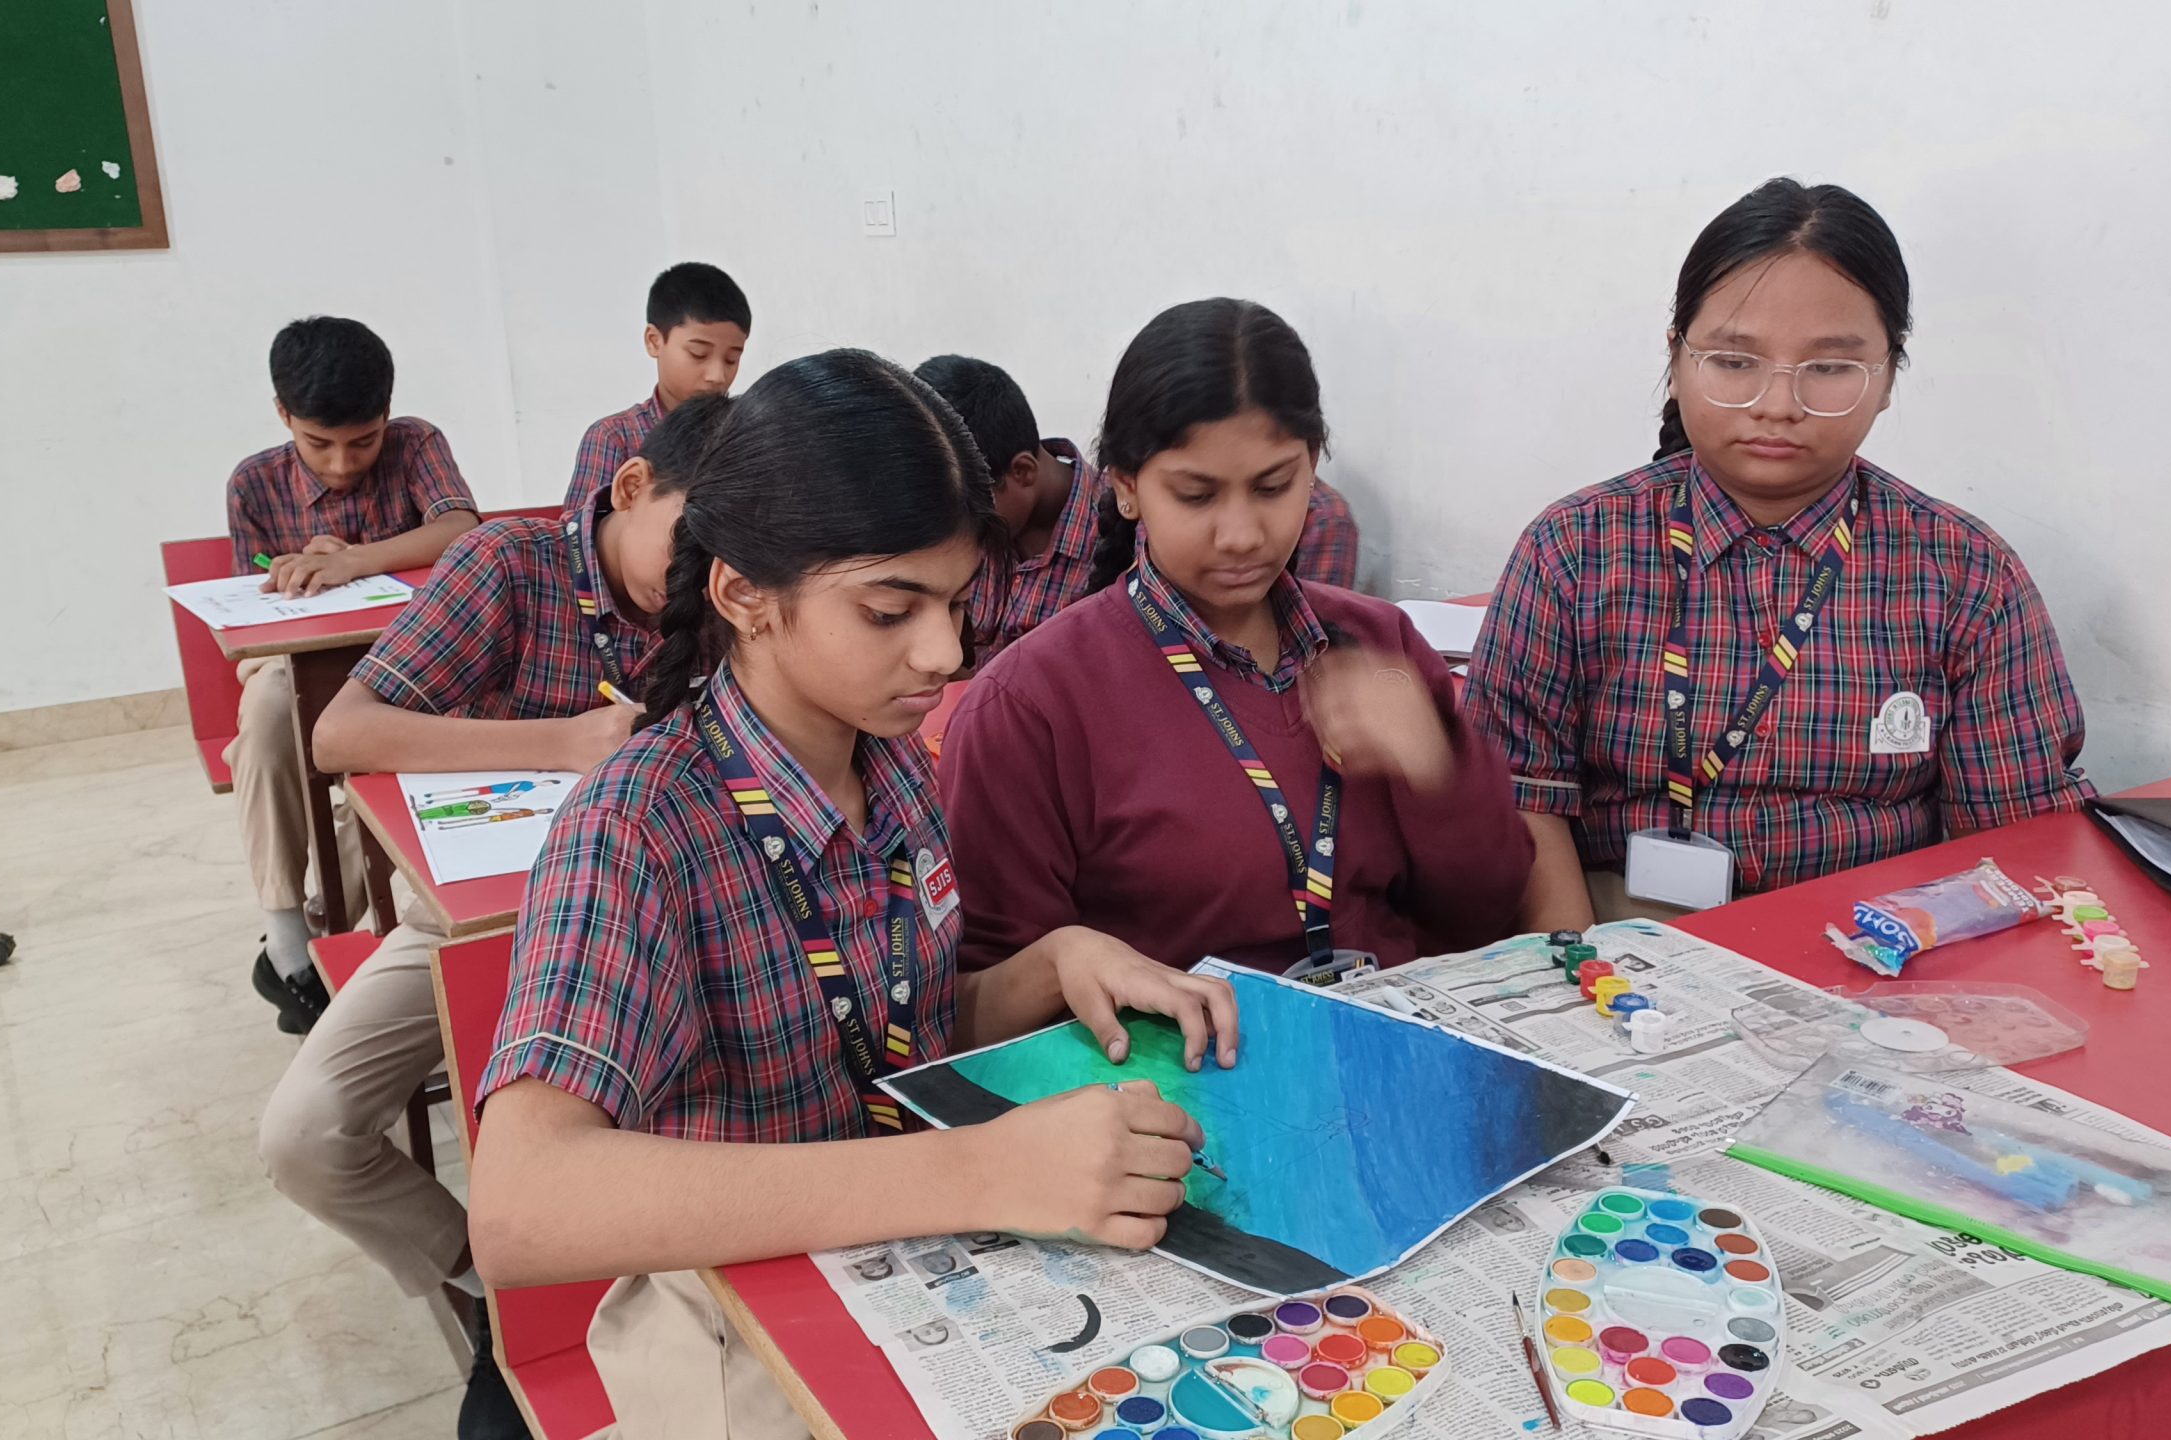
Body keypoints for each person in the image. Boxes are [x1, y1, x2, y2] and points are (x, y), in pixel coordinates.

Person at [466, 349, 1243, 1440]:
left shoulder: (895, 766)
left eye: (957, 601)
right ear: (744, 594)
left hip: (912, 1268)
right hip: (746, 1332)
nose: (944, 651)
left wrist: (1053, 964)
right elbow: (522, 1204)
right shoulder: (639, 829)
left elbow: (885, 1031)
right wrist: (973, 1171)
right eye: (889, 610)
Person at [257, 399, 726, 1438]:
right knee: (305, 1135)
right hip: (480, 916)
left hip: (656, 923)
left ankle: (633, 1318)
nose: (703, 576)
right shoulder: (513, 565)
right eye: (688, 540)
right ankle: (492, 1291)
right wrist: (560, 743)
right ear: (632, 487)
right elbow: (341, 733)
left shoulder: (729, 595)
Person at [1464, 179, 2093, 928]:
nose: (1777, 405)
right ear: (1677, 360)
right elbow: (1520, 801)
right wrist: (1582, 971)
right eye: (1735, 361)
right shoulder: (1574, 550)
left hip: (1882, 937)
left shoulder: (1966, 575)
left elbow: (2012, 840)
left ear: (1888, 377)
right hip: (1620, 927)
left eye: (1828, 368)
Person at [937, 299, 1533, 979]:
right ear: (1127, 488)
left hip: (1387, 1026)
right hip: (1175, 1048)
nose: (1243, 535)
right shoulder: (1029, 705)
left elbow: (1487, 914)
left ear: (1312, 465)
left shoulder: (1380, 645)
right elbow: (997, 989)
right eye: (1196, 496)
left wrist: (1439, 768)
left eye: (1274, 486)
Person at [224, 316, 480, 1031]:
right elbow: (252, 606)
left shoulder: (417, 444)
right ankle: (287, 933)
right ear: (283, 415)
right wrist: (297, 575)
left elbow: (460, 529)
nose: (342, 465)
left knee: (390, 759)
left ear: (387, 414)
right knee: (267, 720)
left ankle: (326, 925)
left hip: (412, 660)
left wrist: (353, 562)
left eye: (363, 442)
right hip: (295, 662)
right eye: (320, 444)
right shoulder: (253, 484)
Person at [912, 354, 1109, 662]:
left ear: (1022, 472)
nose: (952, 523)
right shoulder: (974, 521)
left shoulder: (1127, 533)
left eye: (967, 507)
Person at [563, 261, 752, 513]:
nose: (717, 376)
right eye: (698, 354)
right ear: (654, 341)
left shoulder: (746, 432)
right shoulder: (615, 437)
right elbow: (581, 529)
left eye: (732, 359)